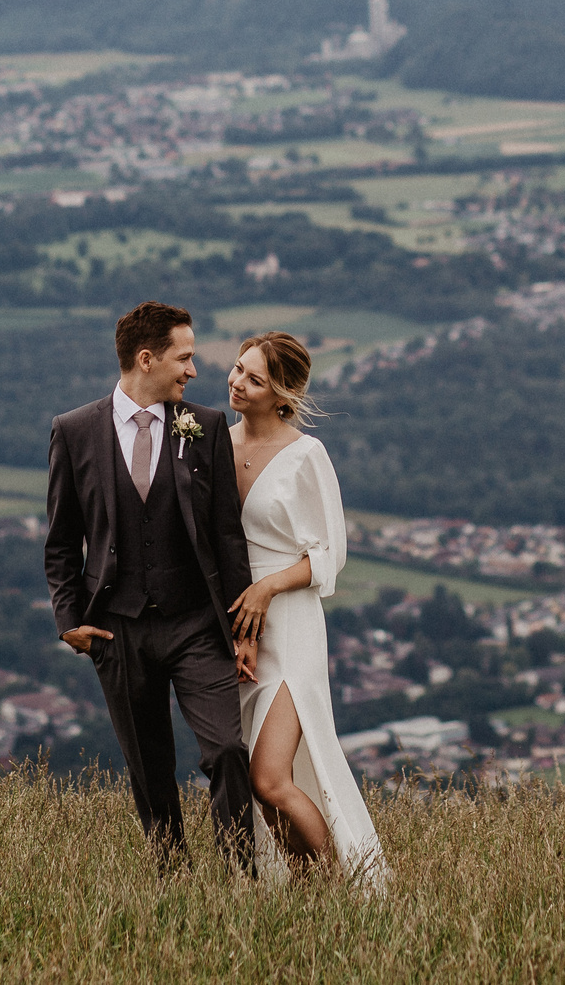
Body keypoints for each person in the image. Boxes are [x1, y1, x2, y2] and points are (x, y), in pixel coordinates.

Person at [44, 301, 257, 869]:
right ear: (147, 358)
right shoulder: (74, 431)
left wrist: (242, 629)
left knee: (229, 749)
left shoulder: (206, 427)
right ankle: (174, 880)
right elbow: (62, 542)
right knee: (150, 767)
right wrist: (70, 622)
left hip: (195, 625)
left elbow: (226, 537)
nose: (193, 370)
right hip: (116, 630)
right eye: (184, 358)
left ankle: (242, 875)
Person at [225, 331, 387, 888]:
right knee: (258, 779)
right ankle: (300, 889)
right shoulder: (216, 445)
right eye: (239, 370)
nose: (238, 383)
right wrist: (237, 624)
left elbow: (329, 558)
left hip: (290, 627)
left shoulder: (307, 455)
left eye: (255, 379)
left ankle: (334, 883)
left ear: (282, 394)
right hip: (241, 629)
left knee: (269, 778)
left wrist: (267, 589)